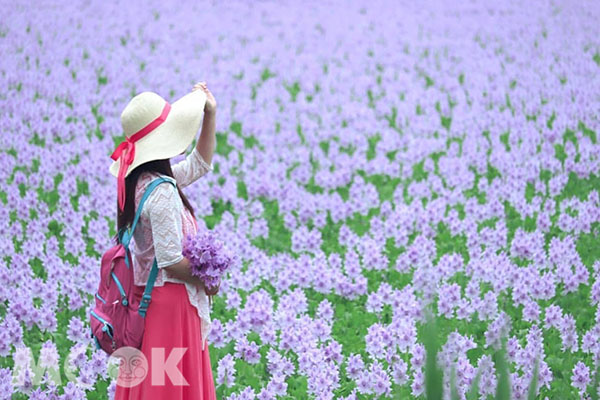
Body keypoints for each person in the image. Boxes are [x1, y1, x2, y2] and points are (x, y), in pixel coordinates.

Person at [110, 81, 219, 399]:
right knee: (171, 389)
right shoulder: (162, 193)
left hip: (148, 301)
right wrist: (209, 277)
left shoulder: (142, 182)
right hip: (170, 308)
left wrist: (209, 114)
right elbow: (171, 259)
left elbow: (199, 165)